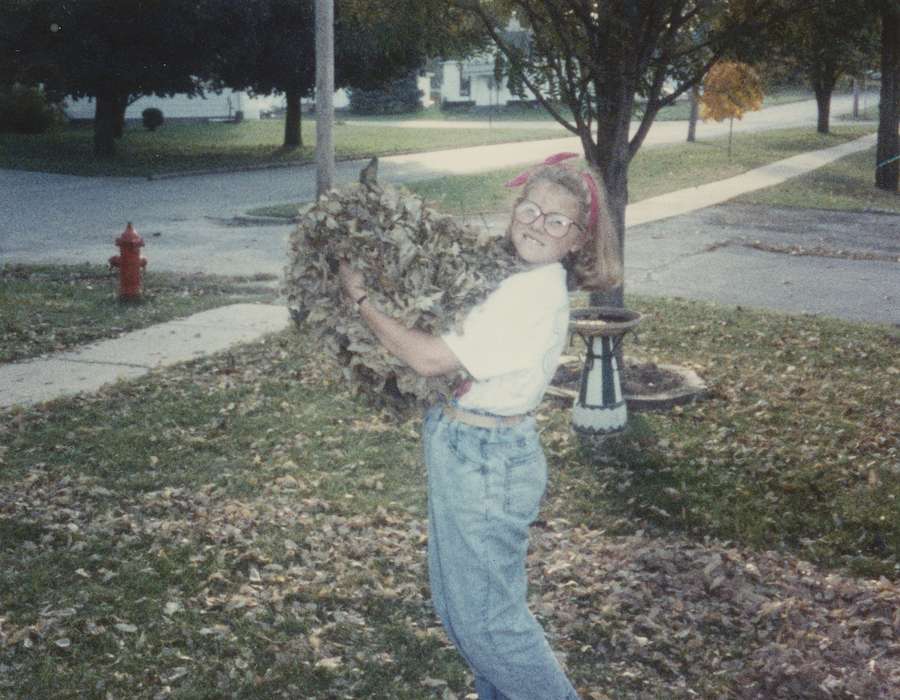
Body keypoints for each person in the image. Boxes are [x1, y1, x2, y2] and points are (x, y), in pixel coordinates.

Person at [339, 154, 622, 700]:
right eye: (531, 208)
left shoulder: (533, 293)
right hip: (466, 443)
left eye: (556, 220)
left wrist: (361, 300)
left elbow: (428, 360)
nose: (538, 224)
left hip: (487, 457)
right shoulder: (511, 273)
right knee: (466, 614)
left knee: (489, 625)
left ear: (578, 241)